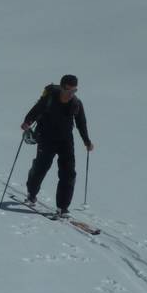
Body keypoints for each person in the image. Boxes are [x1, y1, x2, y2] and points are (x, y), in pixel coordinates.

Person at [20, 74, 94, 217]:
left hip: (65, 141)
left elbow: (81, 123)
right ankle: (31, 193)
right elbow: (35, 111)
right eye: (68, 90)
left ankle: (63, 207)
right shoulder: (49, 98)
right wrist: (27, 122)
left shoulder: (76, 103)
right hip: (46, 138)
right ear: (61, 87)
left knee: (69, 173)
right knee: (41, 168)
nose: (71, 93)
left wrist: (87, 141)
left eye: (74, 90)